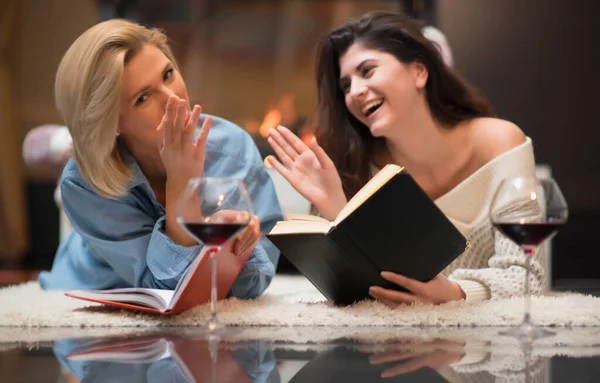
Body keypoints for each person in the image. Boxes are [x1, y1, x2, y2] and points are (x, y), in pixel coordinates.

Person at [267, 11, 545, 305]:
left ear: (418, 72)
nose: (356, 92)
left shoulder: (500, 142)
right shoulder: (358, 169)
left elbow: (526, 276)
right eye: (346, 85)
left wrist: (455, 293)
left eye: (368, 71)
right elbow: (364, 296)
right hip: (394, 344)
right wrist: (337, 208)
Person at [37, 19, 283, 299]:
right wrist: (183, 183)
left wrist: (236, 245)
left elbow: (252, 284)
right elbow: (163, 291)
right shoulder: (83, 182)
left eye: (168, 74)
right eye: (143, 98)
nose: (173, 99)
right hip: (91, 292)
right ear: (110, 123)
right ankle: (58, 144)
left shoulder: (232, 148)